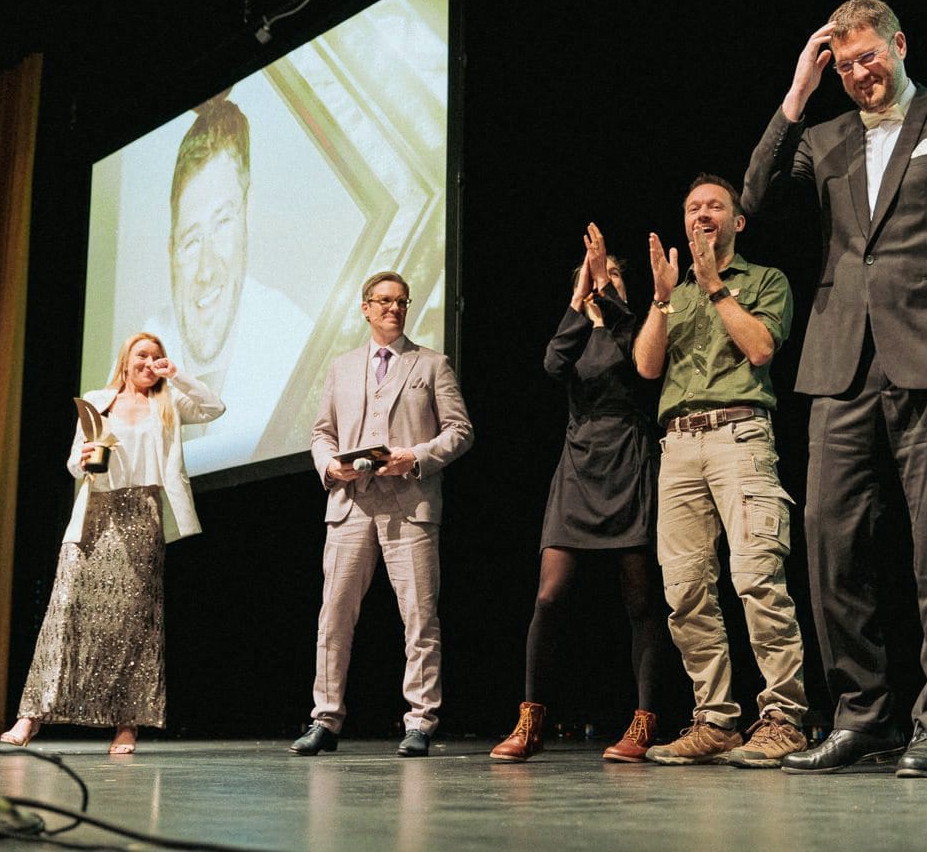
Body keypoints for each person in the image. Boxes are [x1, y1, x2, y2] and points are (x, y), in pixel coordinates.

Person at [743, 0, 927, 777]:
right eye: (845, 63)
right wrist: (798, 93)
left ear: (899, 45)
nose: (861, 73)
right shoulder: (825, 136)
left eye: (871, 56)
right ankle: (861, 716)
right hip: (840, 366)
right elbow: (752, 204)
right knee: (829, 543)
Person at [632, 174, 810, 769]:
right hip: (679, 445)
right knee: (684, 590)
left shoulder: (765, 281)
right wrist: (662, 300)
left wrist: (713, 286)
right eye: (692, 208)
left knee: (758, 578)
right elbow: (647, 366)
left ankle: (784, 717)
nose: (701, 214)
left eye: (715, 206)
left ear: (737, 222)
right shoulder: (671, 293)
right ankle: (714, 720)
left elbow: (760, 348)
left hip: (740, 434)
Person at [489, 224, 670, 763]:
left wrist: (609, 301)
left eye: (613, 273)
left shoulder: (640, 327)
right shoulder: (576, 332)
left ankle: (644, 722)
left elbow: (642, 372)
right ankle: (530, 721)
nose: (603, 279)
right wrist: (577, 303)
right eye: (595, 274)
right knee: (549, 595)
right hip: (579, 466)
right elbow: (552, 365)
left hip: (629, 460)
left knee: (641, 600)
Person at [0, 333, 225, 754]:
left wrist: (177, 375)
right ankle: (30, 717)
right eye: (143, 355)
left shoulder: (168, 403)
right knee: (65, 611)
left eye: (157, 357)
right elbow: (73, 462)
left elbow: (215, 407)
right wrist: (82, 458)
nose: (150, 362)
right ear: (125, 361)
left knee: (135, 623)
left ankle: (127, 726)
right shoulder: (98, 399)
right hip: (95, 514)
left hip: (143, 513)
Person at [290, 270, 473, 757]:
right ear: (366, 307)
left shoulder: (431, 364)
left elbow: (460, 431)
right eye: (384, 301)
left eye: (402, 302)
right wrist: (330, 465)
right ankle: (325, 720)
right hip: (350, 506)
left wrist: (414, 457)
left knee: (419, 616)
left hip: (409, 506)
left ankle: (420, 721)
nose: (394, 309)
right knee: (335, 617)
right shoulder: (342, 367)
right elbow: (321, 433)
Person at [146, 91, 315, 475]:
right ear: (170, 250)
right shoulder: (139, 353)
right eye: (190, 241)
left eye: (222, 223)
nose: (206, 270)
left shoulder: (295, 344)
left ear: (247, 214)